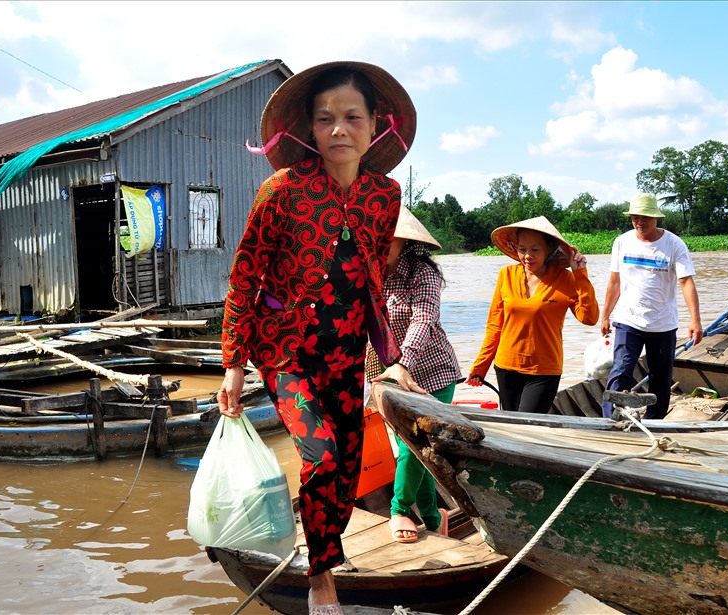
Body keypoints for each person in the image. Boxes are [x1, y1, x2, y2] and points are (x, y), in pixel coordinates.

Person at [216, 61, 417, 615]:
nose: (338, 130)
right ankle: (320, 578)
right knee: (322, 454)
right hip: (285, 352)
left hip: (347, 354)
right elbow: (245, 276)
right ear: (307, 128)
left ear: (376, 124)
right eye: (325, 119)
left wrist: (390, 361)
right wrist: (234, 363)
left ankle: (324, 548)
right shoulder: (282, 190)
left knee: (348, 465)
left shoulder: (385, 196)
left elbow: (373, 280)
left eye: (352, 117)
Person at [365, 206, 461, 544]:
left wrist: (403, 362)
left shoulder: (423, 274)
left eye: (387, 237)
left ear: (404, 240)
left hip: (433, 374)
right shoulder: (372, 273)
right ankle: (435, 517)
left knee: (412, 445)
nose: (379, 243)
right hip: (389, 376)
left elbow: (424, 317)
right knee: (418, 449)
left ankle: (399, 508)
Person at [466, 216, 599, 412]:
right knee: (513, 427)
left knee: (529, 423)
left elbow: (589, 318)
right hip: (506, 367)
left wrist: (581, 274)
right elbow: (495, 326)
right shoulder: (506, 275)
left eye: (535, 249)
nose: (528, 255)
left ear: (549, 249)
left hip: (544, 370)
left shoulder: (566, 279)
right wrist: (480, 367)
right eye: (522, 249)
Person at [600, 193, 702, 420]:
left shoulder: (674, 244)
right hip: (628, 320)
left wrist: (695, 320)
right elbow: (614, 282)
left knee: (661, 377)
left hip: (663, 324)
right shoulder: (622, 242)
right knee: (620, 371)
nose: (640, 222)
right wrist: (605, 315)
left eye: (645, 217)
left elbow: (686, 282)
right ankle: (609, 420)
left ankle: (653, 421)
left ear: (656, 218)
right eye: (635, 217)